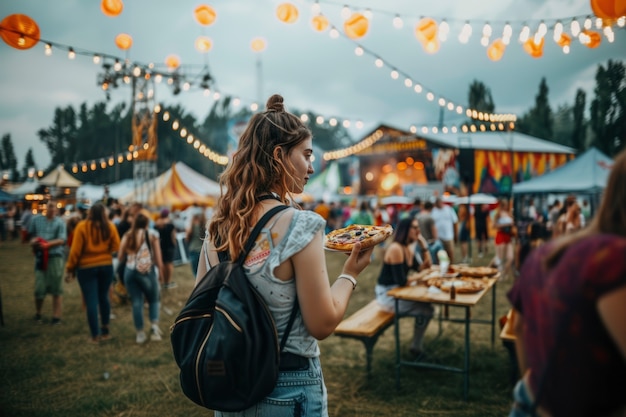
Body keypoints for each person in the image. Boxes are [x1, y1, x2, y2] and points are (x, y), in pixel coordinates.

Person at [196, 94, 373, 416]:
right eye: (306, 155)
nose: (311, 165)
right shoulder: (300, 225)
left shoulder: (217, 227)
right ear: (279, 155)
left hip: (231, 386)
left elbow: (203, 310)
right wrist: (350, 274)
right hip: (289, 386)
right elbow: (321, 323)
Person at [507, 148, 626, 417]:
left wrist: (540, 388)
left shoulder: (544, 254)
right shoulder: (615, 260)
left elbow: (519, 328)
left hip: (529, 402)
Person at [374, 218, 433, 357]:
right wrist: (420, 276)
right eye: (414, 227)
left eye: (418, 227)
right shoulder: (396, 248)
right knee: (426, 310)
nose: (418, 231)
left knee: (426, 305)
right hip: (387, 295)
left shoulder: (408, 248)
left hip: (398, 291)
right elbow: (402, 281)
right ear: (405, 230)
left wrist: (423, 245)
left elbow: (425, 267)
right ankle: (416, 348)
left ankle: (416, 346)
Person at [64, 202, 120, 343]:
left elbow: (75, 251)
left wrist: (70, 268)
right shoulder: (110, 226)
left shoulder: (82, 226)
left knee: (91, 301)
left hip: (86, 268)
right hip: (106, 266)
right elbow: (116, 246)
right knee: (104, 297)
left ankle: (95, 335)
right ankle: (105, 331)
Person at [118, 209, 164, 344]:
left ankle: (140, 334)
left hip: (130, 271)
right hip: (147, 271)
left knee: (136, 302)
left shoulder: (127, 235)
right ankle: (155, 329)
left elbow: (120, 256)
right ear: (147, 223)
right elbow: (158, 258)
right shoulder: (152, 235)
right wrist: (160, 272)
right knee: (154, 299)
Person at [28, 200, 67, 324]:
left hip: (55, 256)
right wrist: (34, 242)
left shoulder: (60, 222)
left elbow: (62, 240)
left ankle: (56, 316)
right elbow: (31, 235)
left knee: (56, 287)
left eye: (54, 207)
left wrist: (47, 245)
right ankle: (38, 313)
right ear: (45, 207)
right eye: (50, 206)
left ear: (56, 209)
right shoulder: (36, 220)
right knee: (39, 287)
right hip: (40, 257)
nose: (52, 209)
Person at [431, 196, 458, 263]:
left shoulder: (449, 209)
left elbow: (455, 222)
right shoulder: (433, 211)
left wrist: (455, 234)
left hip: (448, 236)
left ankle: (451, 266)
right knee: (439, 255)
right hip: (438, 237)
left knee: (450, 253)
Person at [155, 208, 177, 289]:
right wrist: (174, 244)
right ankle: (168, 282)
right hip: (169, 246)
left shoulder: (157, 224)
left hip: (161, 246)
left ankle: (163, 281)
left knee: (163, 264)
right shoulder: (170, 224)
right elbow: (173, 237)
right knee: (169, 264)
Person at [494, 198, 515, 279]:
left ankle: (504, 273)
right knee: (500, 258)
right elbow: (494, 225)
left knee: (510, 257)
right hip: (501, 236)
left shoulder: (509, 213)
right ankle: (500, 274)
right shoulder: (498, 214)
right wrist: (505, 225)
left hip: (508, 236)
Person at [185, 209, 206, 277]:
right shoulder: (204, 225)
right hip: (202, 250)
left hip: (193, 250)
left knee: (196, 273)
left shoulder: (191, 227)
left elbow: (187, 239)